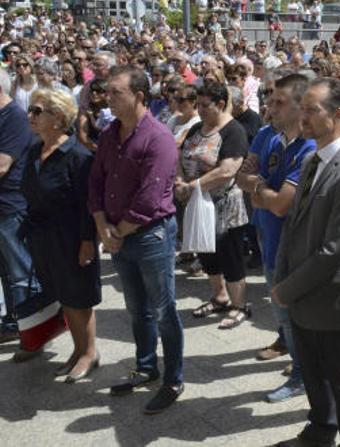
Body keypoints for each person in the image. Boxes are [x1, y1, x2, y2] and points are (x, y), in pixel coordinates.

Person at [271, 78, 340, 447]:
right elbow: (294, 228)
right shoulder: (312, 159)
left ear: (338, 115)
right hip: (301, 292)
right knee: (312, 371)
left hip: (330, 298)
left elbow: (337, 249)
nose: (303, 116)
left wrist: (287, 288)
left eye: (312, 109)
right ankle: (320, 428)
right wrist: (283, 278)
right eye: (304, 108)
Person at [88, 66, 184, 414]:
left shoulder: (157, 138)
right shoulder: (111, 133)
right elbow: (95, 181)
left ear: (139, 96)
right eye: (107, 92)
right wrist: (102, 225)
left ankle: (173, 378)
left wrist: (116, 233)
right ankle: (146, 366)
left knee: (163, 309)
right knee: (137, 309)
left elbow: (149, 198)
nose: (107, 98)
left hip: (150, 236)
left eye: (116, 93)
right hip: (117, 235)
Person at [237, 73, 315, 403]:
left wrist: (259, 188)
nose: (270, 106)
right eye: (269, 99)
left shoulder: (310, 148)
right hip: (268, 238)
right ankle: (300, 366)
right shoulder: (268, 135)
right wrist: (260, 189)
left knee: (295, 315)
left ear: (302, 106)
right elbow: (242, 176)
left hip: (295, 249)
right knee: (283, 314)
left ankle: (303, 376)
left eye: (279, 101)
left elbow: (283, 204)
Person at [22, 89, 101, 382]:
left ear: (57, 118)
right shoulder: (34, 149)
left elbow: (87, 205)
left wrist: (86, 242)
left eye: (37, 111)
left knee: (79, 296)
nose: (30, 116)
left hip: (72, 237)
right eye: (30, 110)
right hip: (43, 236)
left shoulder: (77, 156)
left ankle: (89, 352)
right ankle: (78, 349)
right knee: (64, 294)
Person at [178, 81, 250, 330]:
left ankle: (239, 305)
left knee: (230, 255)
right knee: (207, 253)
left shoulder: (234, 131)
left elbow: (227, 170)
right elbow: (182, 154)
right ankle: (219, 296)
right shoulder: (198, 127)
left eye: (204, 105)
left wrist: (193, 185)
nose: (199, 110)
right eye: (197, 104)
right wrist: (180, 180)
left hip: (224, 204)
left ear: (220, 104)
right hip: (197, 201)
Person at [0, 69, 46, 352]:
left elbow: (3, 164)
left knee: (20, 272)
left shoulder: (14, 116)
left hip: (11, 205)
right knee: (7, 272)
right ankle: (15, 323)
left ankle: (33, 333)